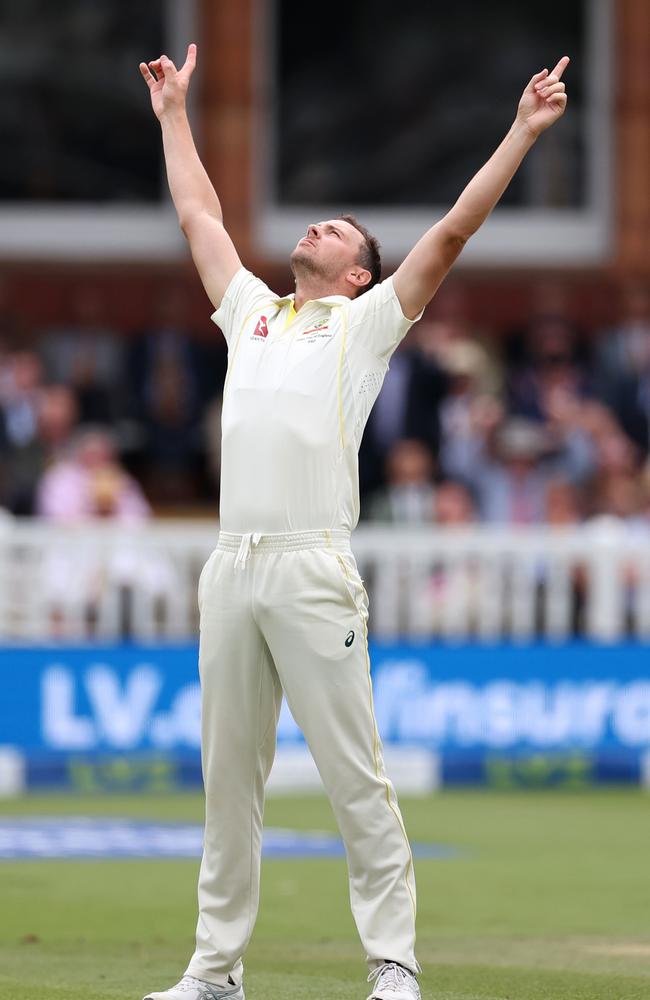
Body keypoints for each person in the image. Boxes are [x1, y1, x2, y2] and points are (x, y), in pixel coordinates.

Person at [138, 42, 569, 1000]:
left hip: (309, 568)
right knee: (228, 791)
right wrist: (174, 115)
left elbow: (453, 232)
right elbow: (198, 214)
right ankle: (214, 974)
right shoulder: (250, 309)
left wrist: (523, 131)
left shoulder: (367, 328)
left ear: (359, 279)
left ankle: (393, 966)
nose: (320, 227)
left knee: (354, 779)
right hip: (232, 567)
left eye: (340, 234)